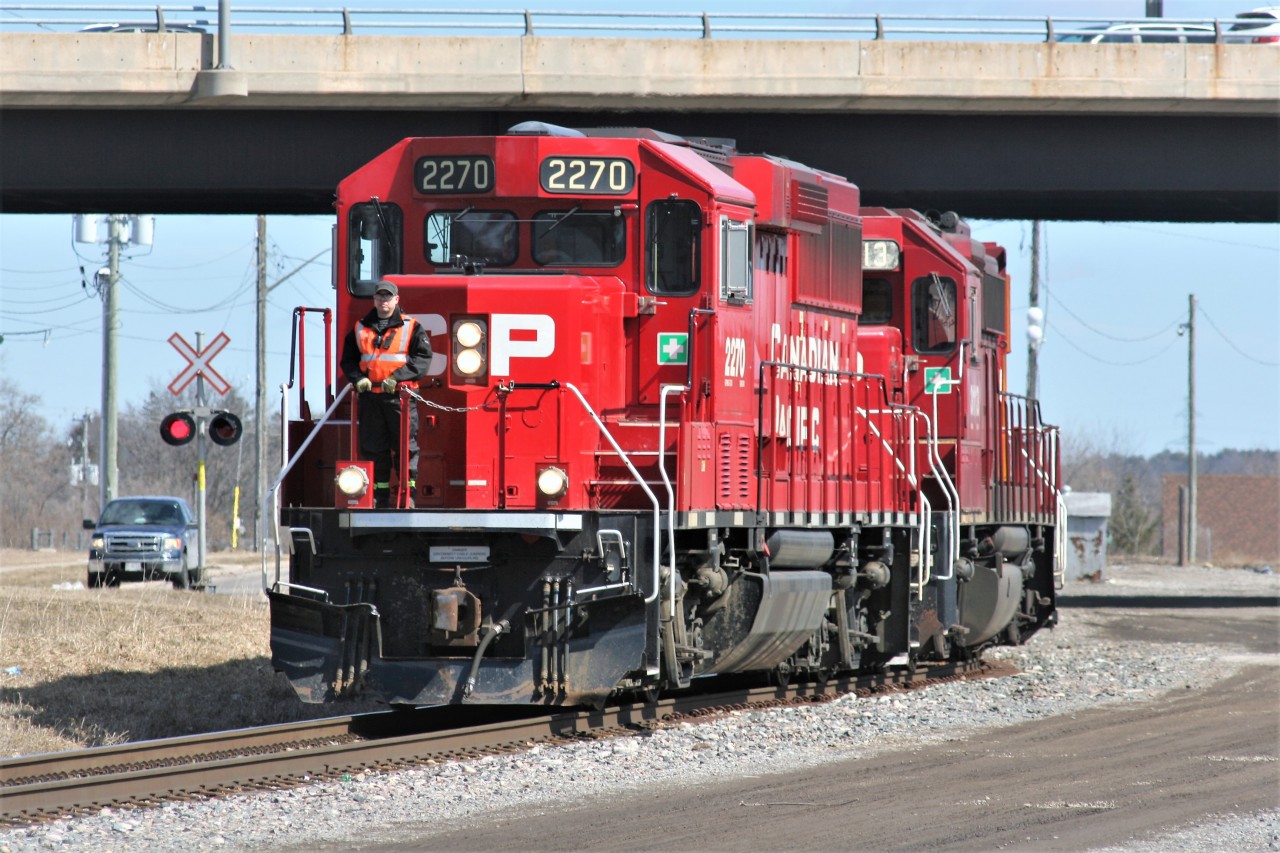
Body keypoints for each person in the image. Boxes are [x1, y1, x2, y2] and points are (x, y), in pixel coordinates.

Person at [340, 280, 432, 508]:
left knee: (405, 448)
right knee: (374, 449)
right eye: (380, 297)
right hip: (370, 398)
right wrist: (358, 379)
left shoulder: (411, 327)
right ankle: (380, 497)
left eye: (388, 297)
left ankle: (407, 496)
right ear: (374, 300)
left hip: (400, 399)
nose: (384, 301)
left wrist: (397, 378)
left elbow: (422, 359)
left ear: (396, 300)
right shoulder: (359, 327)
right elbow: (348, 360)